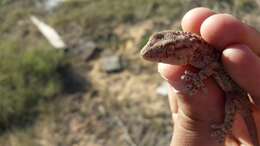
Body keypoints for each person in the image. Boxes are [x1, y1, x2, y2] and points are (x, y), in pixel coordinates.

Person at [159, 7, 260, 146]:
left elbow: (214, 66)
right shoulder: (196, 52)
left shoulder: (199, 55)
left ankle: (225, 129)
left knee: (231, 105)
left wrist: (198, 78)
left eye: (168, 51)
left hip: (235, 93)